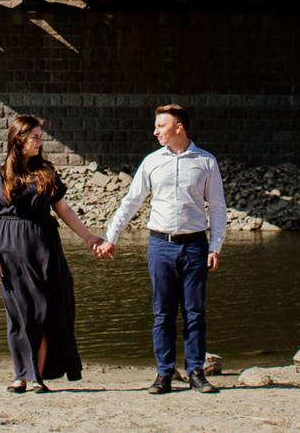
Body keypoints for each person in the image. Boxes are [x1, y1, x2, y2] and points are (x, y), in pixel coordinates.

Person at [96, 103, 226, 394]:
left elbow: (217, 207)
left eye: (161, 126)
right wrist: (111, 237)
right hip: (160, 245)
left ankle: (196, 373)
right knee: (162, 313)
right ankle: (164, 374)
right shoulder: (152, 162)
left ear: (178, 127)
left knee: (195, 312)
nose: (155, 132)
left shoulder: (206, 162)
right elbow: (131, 201)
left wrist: (215, 246)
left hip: (194, 245)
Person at [0, 114, 104, 393]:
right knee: (20, 314)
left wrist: (88, 237)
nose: (40, 141)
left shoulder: (46, 171)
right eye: (35, 136)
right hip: (11, 252)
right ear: (19, 141)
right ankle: (20, 375)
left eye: (40, 136)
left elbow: (64, 210)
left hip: (45, 249)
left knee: (45, 312)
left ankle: (37, 377)